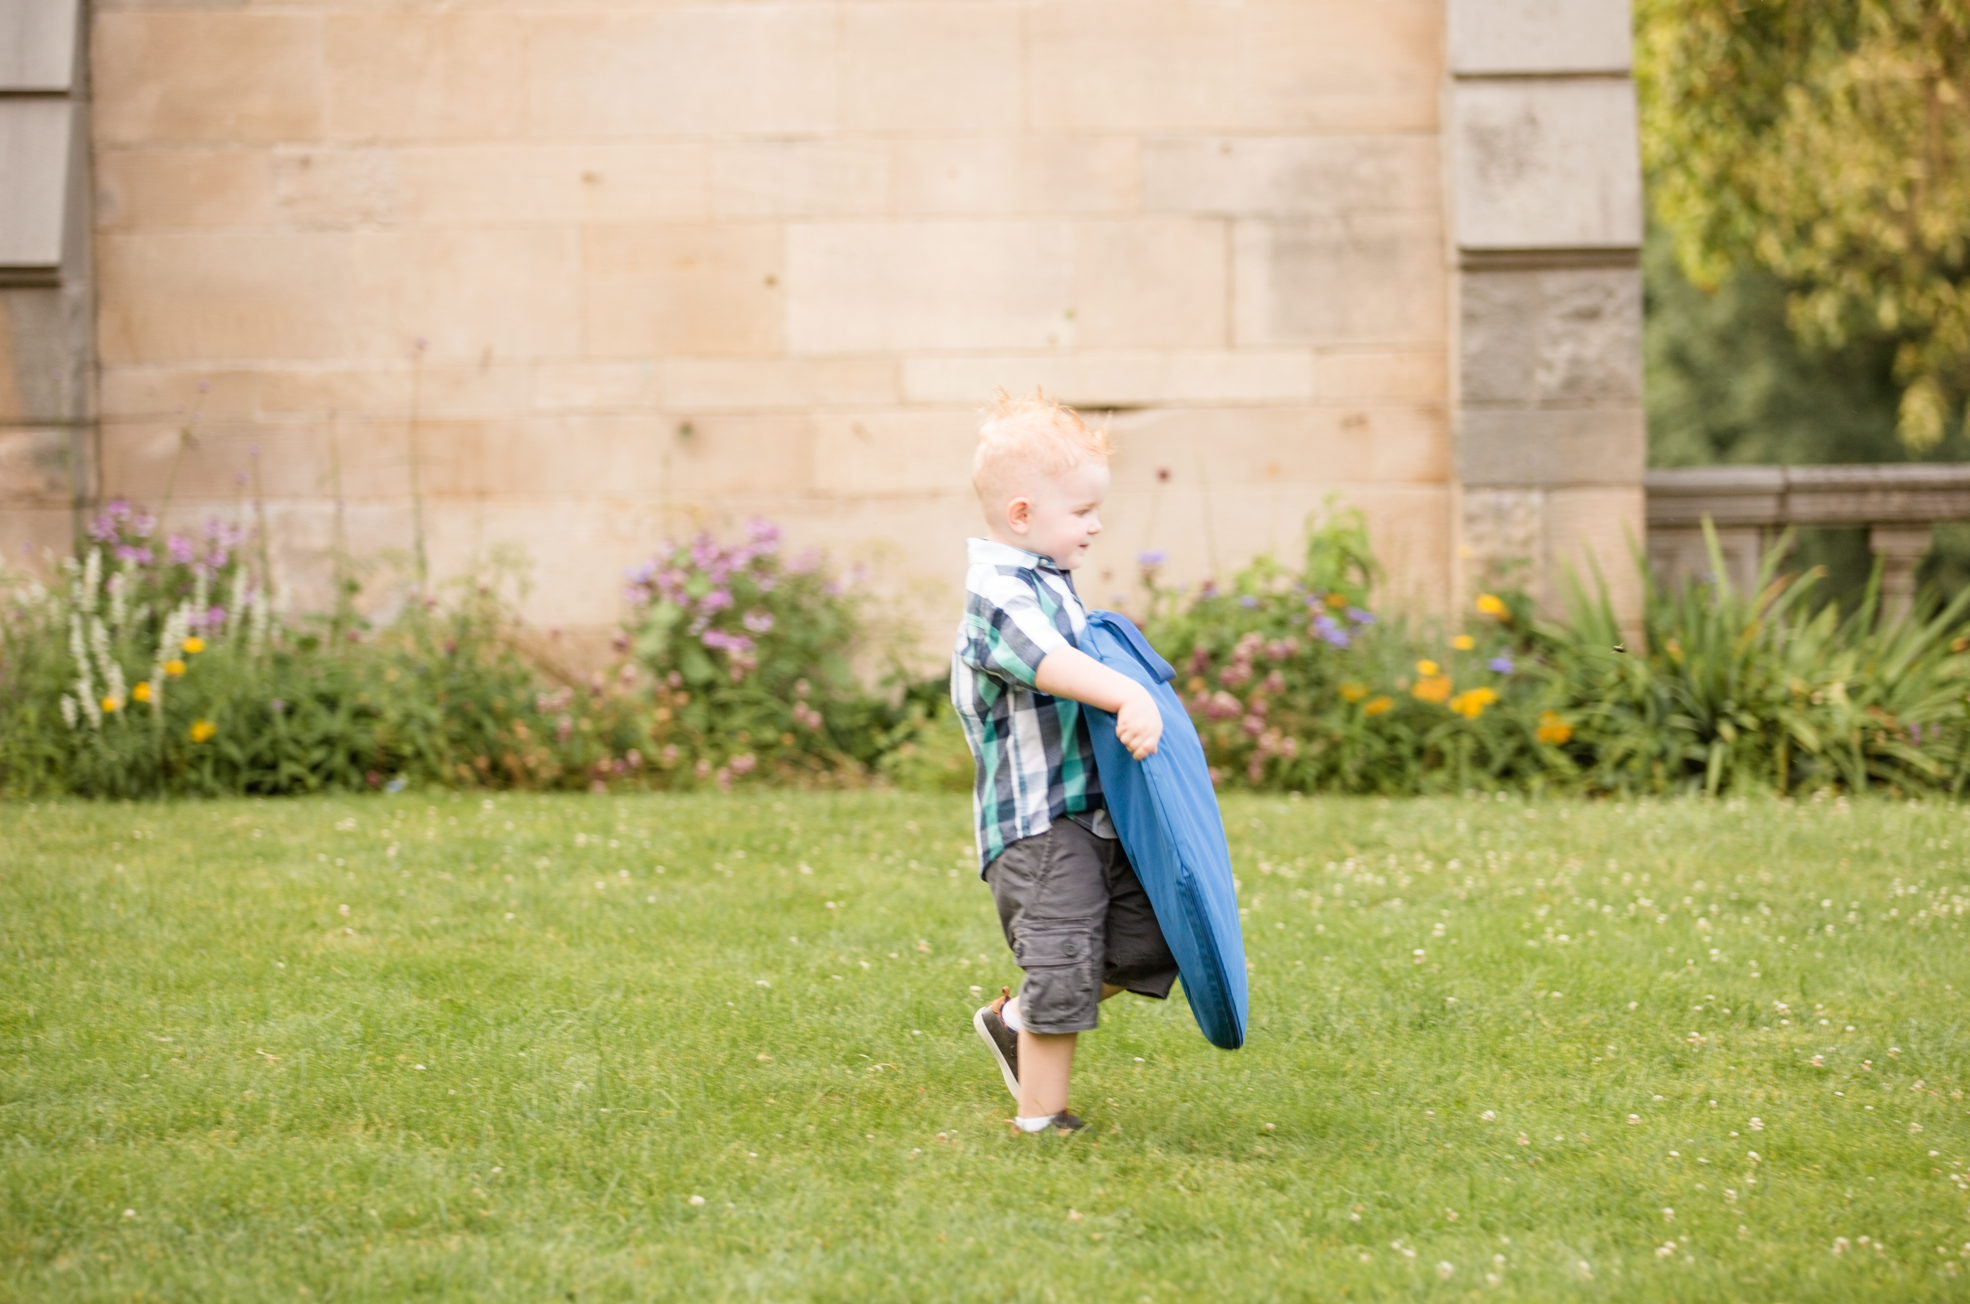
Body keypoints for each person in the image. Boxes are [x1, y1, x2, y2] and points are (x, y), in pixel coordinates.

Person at [952, 391, 1178, 1136]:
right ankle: (1042, 1121)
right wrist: (1127, 696)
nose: (1096, 524)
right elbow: (1047, 665)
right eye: (1081, 511)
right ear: (1023, 515)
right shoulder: (998, 593)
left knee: (1149, 939)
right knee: (1062, 952)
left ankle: (1017, 1020)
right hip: (1039, 825)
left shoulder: (1048, 583)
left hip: (1092, 814)